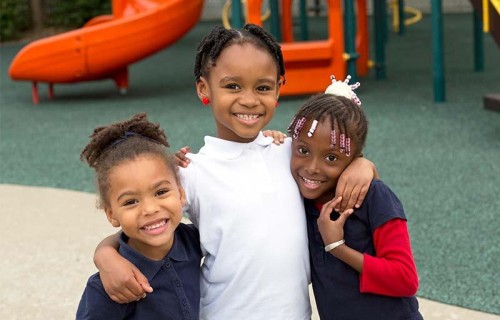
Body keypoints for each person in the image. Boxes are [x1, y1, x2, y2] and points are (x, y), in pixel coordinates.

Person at [93, 25, 377, 319]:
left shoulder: (292, 154)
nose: (250, 100)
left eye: (263, 87)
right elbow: (144, 223)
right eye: (233, 86)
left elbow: (335, 164)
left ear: (279, 88)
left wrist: (362, 163)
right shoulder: (191, 172)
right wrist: (105, 254)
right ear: (204, 89)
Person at [287, 75, 423, 319]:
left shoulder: (374, 197)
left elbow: (406, 279)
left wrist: (337, 247)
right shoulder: (300, 198)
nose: (312, 168)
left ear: (354, 158)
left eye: (331, 158)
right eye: (303, 151)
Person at [76, 113, 202, 320]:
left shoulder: (192, 240)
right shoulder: (109, 287)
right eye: (130, 202)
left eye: (161, 192)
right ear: (111, 214)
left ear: (180, 193)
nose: (150, 209)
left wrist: (266, 143)